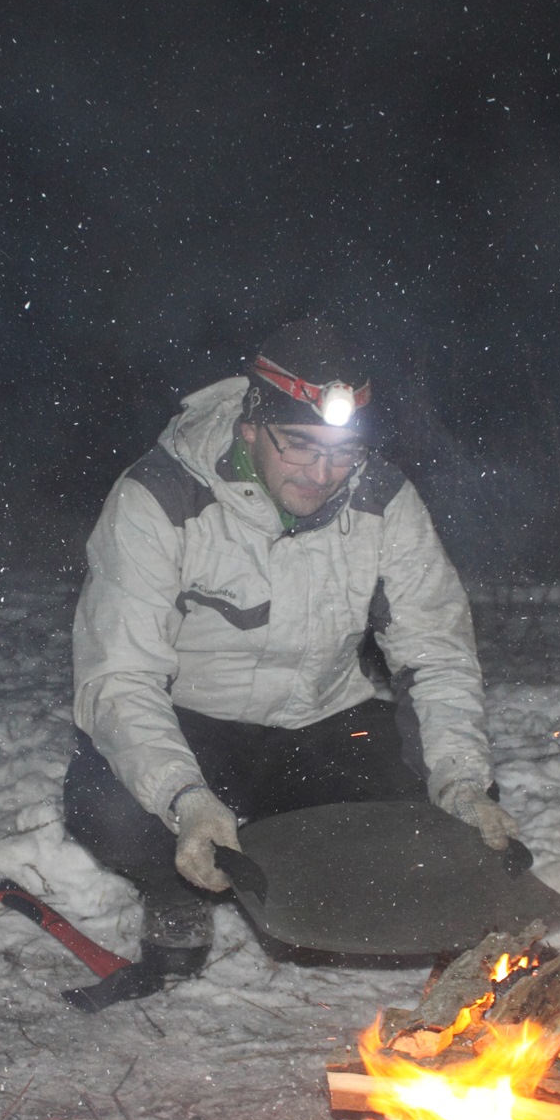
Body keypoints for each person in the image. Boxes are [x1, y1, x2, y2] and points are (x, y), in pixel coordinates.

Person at [63, 317, 517, 978]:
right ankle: (170, 888)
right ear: (251, 424)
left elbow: (435, 653)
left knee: (433, 815)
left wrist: (462, 778)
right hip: (195, 728)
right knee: (103, 794)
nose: (323, 473)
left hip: (319, 726)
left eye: (342, 452)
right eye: (300, 447)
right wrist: (185, 796)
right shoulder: (158, 498)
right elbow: (119, 678)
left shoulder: (383, 500)